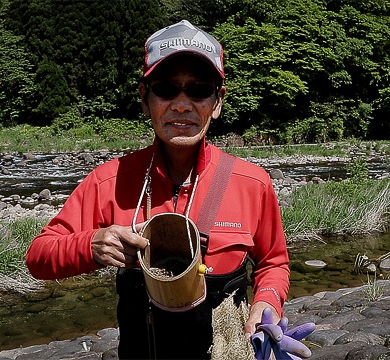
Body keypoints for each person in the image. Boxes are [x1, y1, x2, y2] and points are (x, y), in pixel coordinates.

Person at [25, 19, 290, 359]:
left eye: (198, 89)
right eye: (166, 88)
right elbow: (39, 256)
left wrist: (267, 302)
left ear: (218, 101)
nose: (182, 104)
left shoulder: (252, 182)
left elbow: (274, 263)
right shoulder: (110, 180)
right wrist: (91, 245)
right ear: (144, 97)